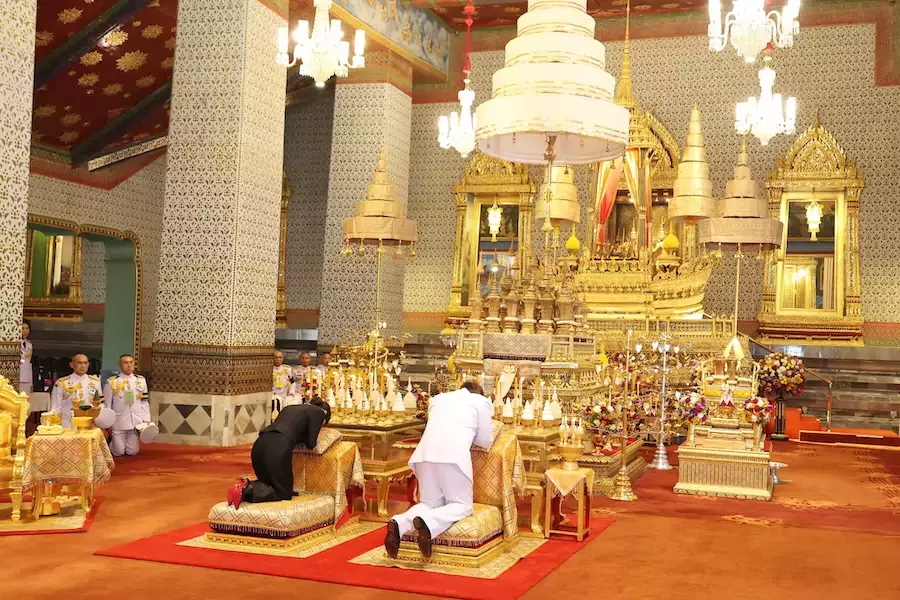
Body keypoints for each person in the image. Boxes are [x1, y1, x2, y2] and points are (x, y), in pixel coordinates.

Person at [384, 380, 493, 559]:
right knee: (461, 505)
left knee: (429, 504)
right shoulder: (480, 401)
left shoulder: (438, 399)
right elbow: (485, 440)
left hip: (424, 455)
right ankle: (427, 523)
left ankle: (399, 522)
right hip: (452, 456)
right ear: (479, 394)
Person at [228, 398, 331, 507]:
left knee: (269, 483)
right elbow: (311, 443)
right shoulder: (319, 412)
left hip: (260, 443)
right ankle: (246, 489)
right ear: (325, 414)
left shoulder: (290, 407)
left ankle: (244, 487)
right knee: (284, 493)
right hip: (278, 446)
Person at [103, 354, 150, 456]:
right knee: (119, 452)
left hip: (136, 421)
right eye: (125, 363)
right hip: (119, 421)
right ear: (120, 365)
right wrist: (108, 423)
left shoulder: (141, 380)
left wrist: (146, 420)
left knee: (132, 452)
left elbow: (144, 401)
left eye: (131, 362)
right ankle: (111, 445)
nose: (129, 365)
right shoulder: (112, 382)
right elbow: (107, 404)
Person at [50, 354, 102, 429]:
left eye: (85, 363)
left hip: (89, 422)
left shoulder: (95, 382)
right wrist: (55, 425)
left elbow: (100, 404)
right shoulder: (62, 382)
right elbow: (55, 407)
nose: (83, 366)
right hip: (68, 423)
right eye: (79, 363)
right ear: (71, 365)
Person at [19, 320, 32, 396]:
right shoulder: (15, 342)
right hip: (17, 375)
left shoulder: (29, 344)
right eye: (22, 328)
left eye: (27, 328)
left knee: (26, 399)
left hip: (27, 376)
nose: (25, 331)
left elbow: (28, 362)